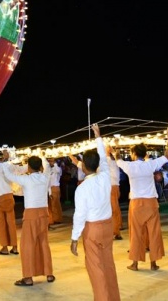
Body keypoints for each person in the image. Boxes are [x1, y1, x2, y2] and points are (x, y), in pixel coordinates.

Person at [115, 130, 168, 271]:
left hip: (136, 204)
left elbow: (117, 159)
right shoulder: (150, 164)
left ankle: (135, 264)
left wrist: (117, 146)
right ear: (144, 154)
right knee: (154, 232)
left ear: (134, 154)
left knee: (136, 233)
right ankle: (153, 263)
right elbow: (167, 156)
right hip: (151, 203)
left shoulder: (130, 166)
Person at [71, 124, 119, 300]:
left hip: (92, 229)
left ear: (83, 167)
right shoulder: (105, 176)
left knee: (96, 270)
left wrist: (74, 238)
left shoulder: (82, 188)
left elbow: (79, 216)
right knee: (108, 265)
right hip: (107, 227)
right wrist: (98, 136)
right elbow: (104, 161)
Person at [0, 153, 55, 286]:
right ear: (40, 166)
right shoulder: (45, 177)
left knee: (27, 246)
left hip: (31, 214)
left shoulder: (26, 179)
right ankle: (49, 274)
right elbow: (47, 166)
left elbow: (8, 175)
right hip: (43, 214)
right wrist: (42, 156)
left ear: (29, 167)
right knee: (43, 243)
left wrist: (5, 160)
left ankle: (28, 277)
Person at [0, 150, 19, 256]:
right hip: (9, 197)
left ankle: (4, 247)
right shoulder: (10, 166)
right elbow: (22, 169)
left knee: (0, 224)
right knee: (11, 222)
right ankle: (15, 247)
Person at [48, 158, 64, 227]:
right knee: (51, 205)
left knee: (56, 204)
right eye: (49, 161)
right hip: (50, 188)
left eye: (51, 161)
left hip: (55, 187)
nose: (50, 162)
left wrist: (54, 163)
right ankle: (52, 219)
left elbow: (58, 170)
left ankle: (57, 219)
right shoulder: (49, 170)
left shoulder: (58, 169)